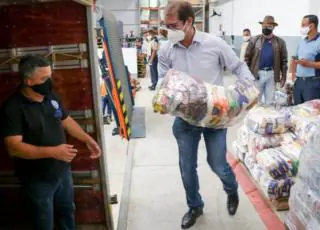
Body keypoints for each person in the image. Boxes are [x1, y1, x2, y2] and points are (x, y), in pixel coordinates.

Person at [158, 2, 255, 229]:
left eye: (173, 25)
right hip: (185, 121)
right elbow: (164, 82)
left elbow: (239, 67)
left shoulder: (214, 44)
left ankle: (231, 190)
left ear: (189, 22)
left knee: (217, 163)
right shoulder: (166, 49)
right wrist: (164, 97)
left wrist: (249, 88)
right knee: (187, 167)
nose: (168, 30)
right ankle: (195, 206)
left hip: (215, 118)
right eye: (166, 26)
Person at [1, 54, 101, 229]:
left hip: (62, 172)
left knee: (67, 213)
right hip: (37, 178)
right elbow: (14, 148)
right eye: (44, 78)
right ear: (28, 81)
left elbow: (65, 120)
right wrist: (54, 152)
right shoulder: (13, 108)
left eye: (50, 76)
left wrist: (88, 139)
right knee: (43, 222)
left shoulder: (51, 97)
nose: (50, 81)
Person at [245, 15, 288, 104]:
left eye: (268, 26)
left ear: (273, 27)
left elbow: (284, 61)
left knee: (270, 102)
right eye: (264, 26)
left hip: (272, 75)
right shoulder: (254, 40)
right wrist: (246, 75)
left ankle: (267, 118)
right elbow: (247, 58)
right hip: (257, 74)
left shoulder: (280, 42)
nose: (265, 28)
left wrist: (283, 77)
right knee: (255, 102)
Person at [292, 15, 320, 105]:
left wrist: (309, 64)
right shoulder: (302, 42)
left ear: (311, 26)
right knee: (297, 111)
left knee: (311, 113)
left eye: (303, 25)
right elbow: (294, 58)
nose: (301, 27)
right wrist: (293, 75)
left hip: (313, 83)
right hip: (299, 82)